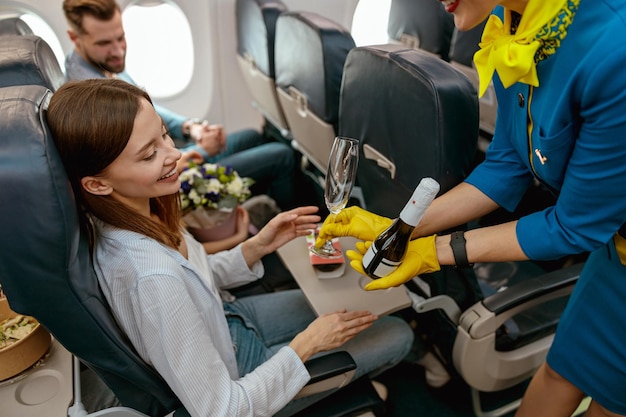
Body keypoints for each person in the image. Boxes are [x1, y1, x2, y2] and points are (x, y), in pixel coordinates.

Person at [318, 0, 626, 416]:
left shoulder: (613, 46)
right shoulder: (507, 24)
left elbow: (573, 227)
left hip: (605, 234)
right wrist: (401, 228)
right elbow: (508, 162)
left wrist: (436, 251)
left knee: (606, 405)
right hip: (613, 248)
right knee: (560, 373)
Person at [45, 78, 414, 416]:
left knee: (354, 303)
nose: (173, 154)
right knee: (399, 333)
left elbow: (192, 280)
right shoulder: (149, 277)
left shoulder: (130, 214)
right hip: (235, 372)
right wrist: (307, 345)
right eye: (148, 155)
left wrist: (256, 246)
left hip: (227, 323)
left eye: (163, 135)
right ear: (97, 184)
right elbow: (222, 409)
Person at [62, 0, 297, 210]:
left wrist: (190, 127)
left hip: (172, 157)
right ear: (75, 38)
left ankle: (255, 211)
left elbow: (145, 108)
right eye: (104, 43)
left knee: (253, 137)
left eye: (121, 37)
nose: (118, 50)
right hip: (166, 179)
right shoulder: (91, 99)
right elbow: (142, 163)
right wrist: (202, 150)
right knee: (282, 156)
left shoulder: (104, 65)